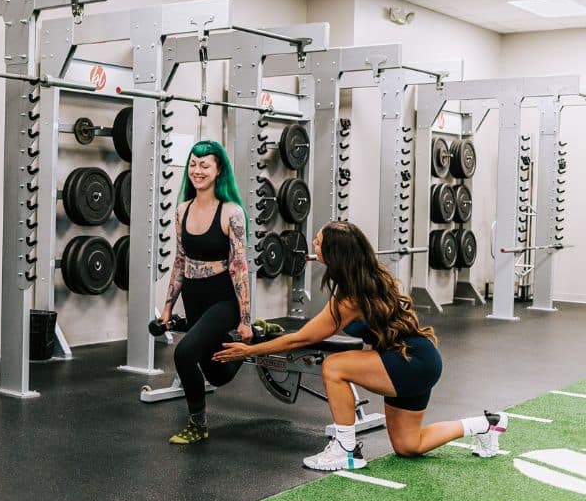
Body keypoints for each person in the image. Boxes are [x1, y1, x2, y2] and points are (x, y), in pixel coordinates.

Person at [215, 221, 507, 470]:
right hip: (418, 359)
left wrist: (248, 351)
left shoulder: (350, 296)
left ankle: (346, 450)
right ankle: (485, 424)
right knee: (409, 445)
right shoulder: (368, 279)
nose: (313, 246)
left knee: (334, 366)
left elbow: (304, 338)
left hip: (410, 361)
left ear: (334, 253)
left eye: (318, 242)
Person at [159, 140, 252, 444]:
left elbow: (239, 267)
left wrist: (246, 318)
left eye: (205, 165)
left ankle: (197, 425)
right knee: (216, 373)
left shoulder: (231, 212)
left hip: (223, 298)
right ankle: (241, 348)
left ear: (218, 170)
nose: (197, 171)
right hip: (194, 296)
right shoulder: (182, 210)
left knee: (184, 353)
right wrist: (167, 307)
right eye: (193, 164)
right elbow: (180, 261)